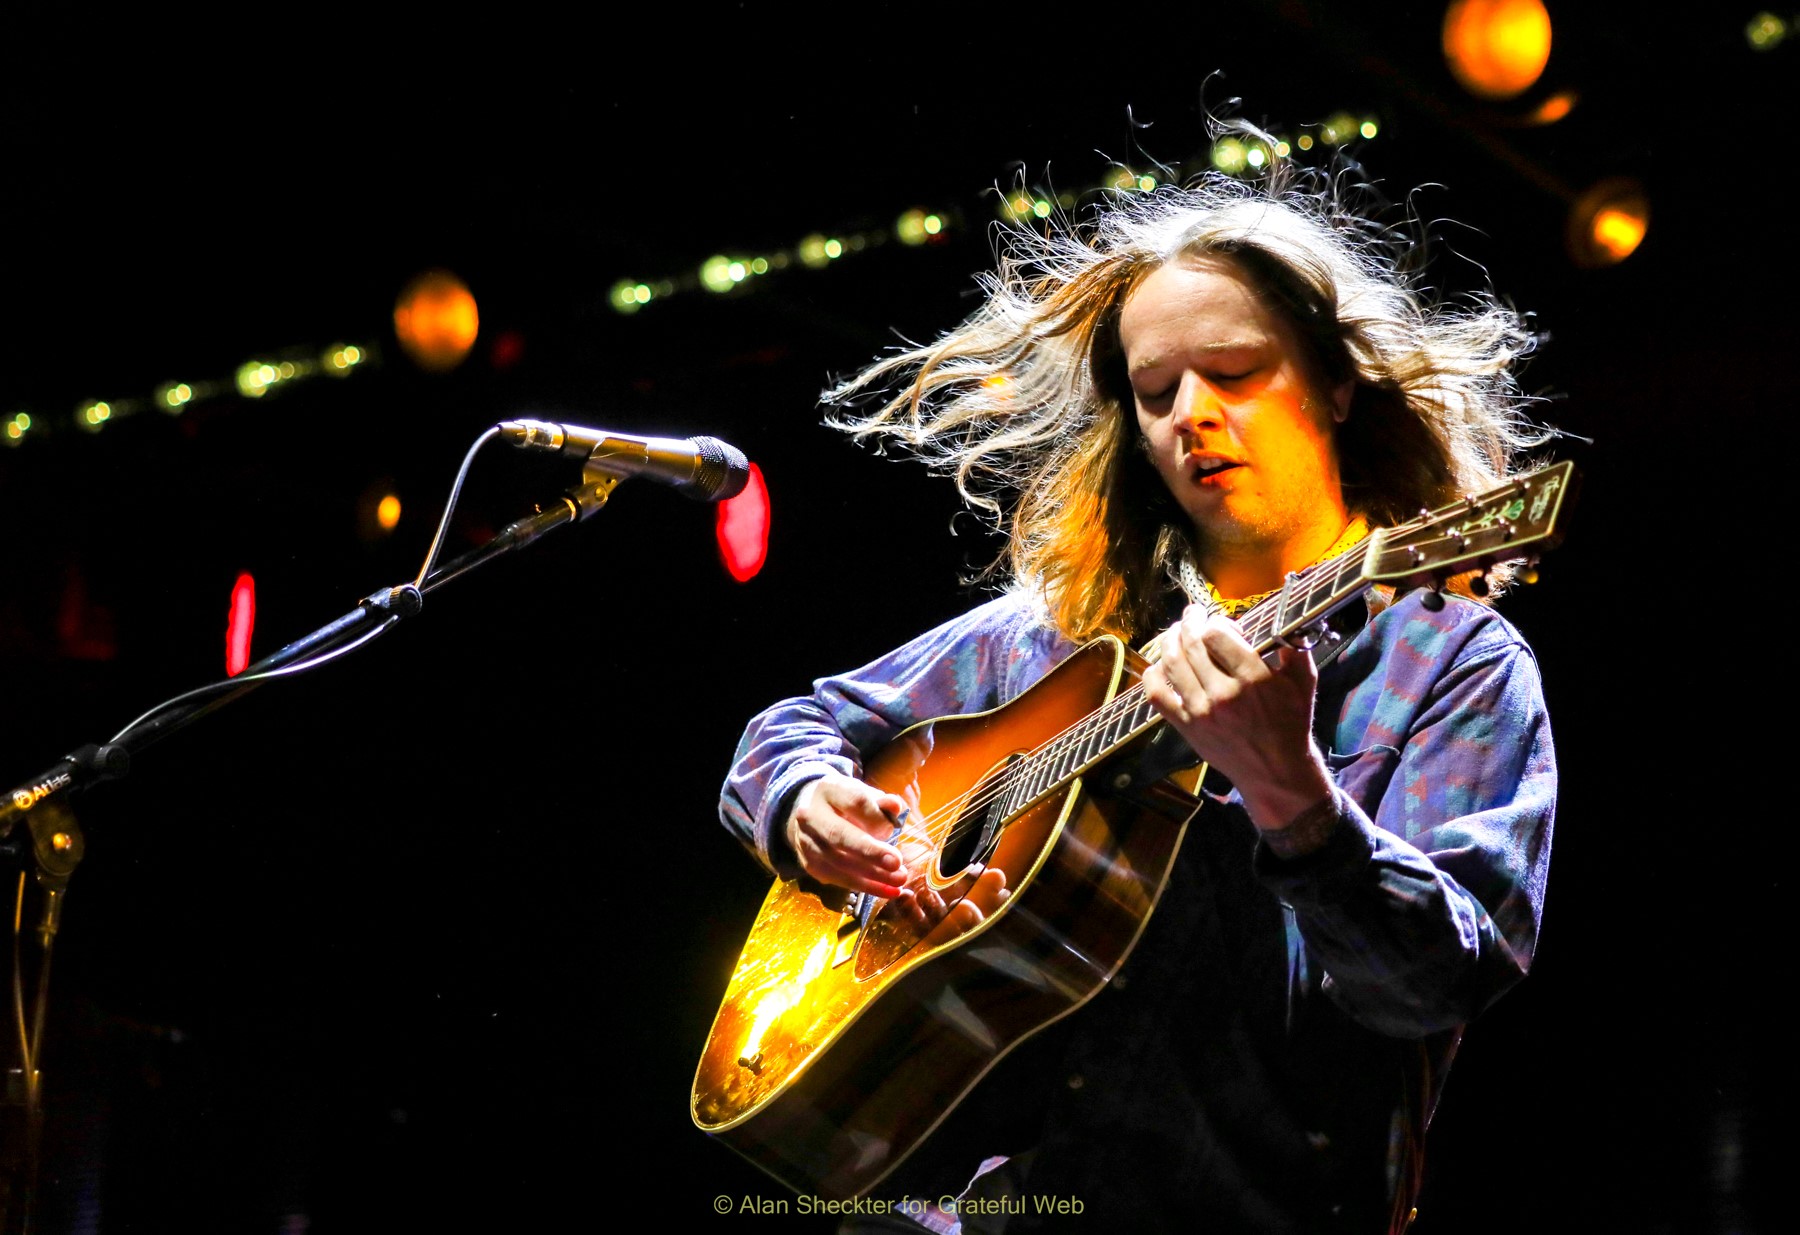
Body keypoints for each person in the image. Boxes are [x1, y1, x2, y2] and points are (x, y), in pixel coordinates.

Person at [718, 159, 1557, 1233]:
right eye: (1156, 393)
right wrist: (803, 802)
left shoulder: (1455, 664)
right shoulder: (1065, 631)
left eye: (1235, 373)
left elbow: (1435, 983)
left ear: (1339, 383)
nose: (1189, 416)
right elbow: (794, 727)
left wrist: (1294, 796)